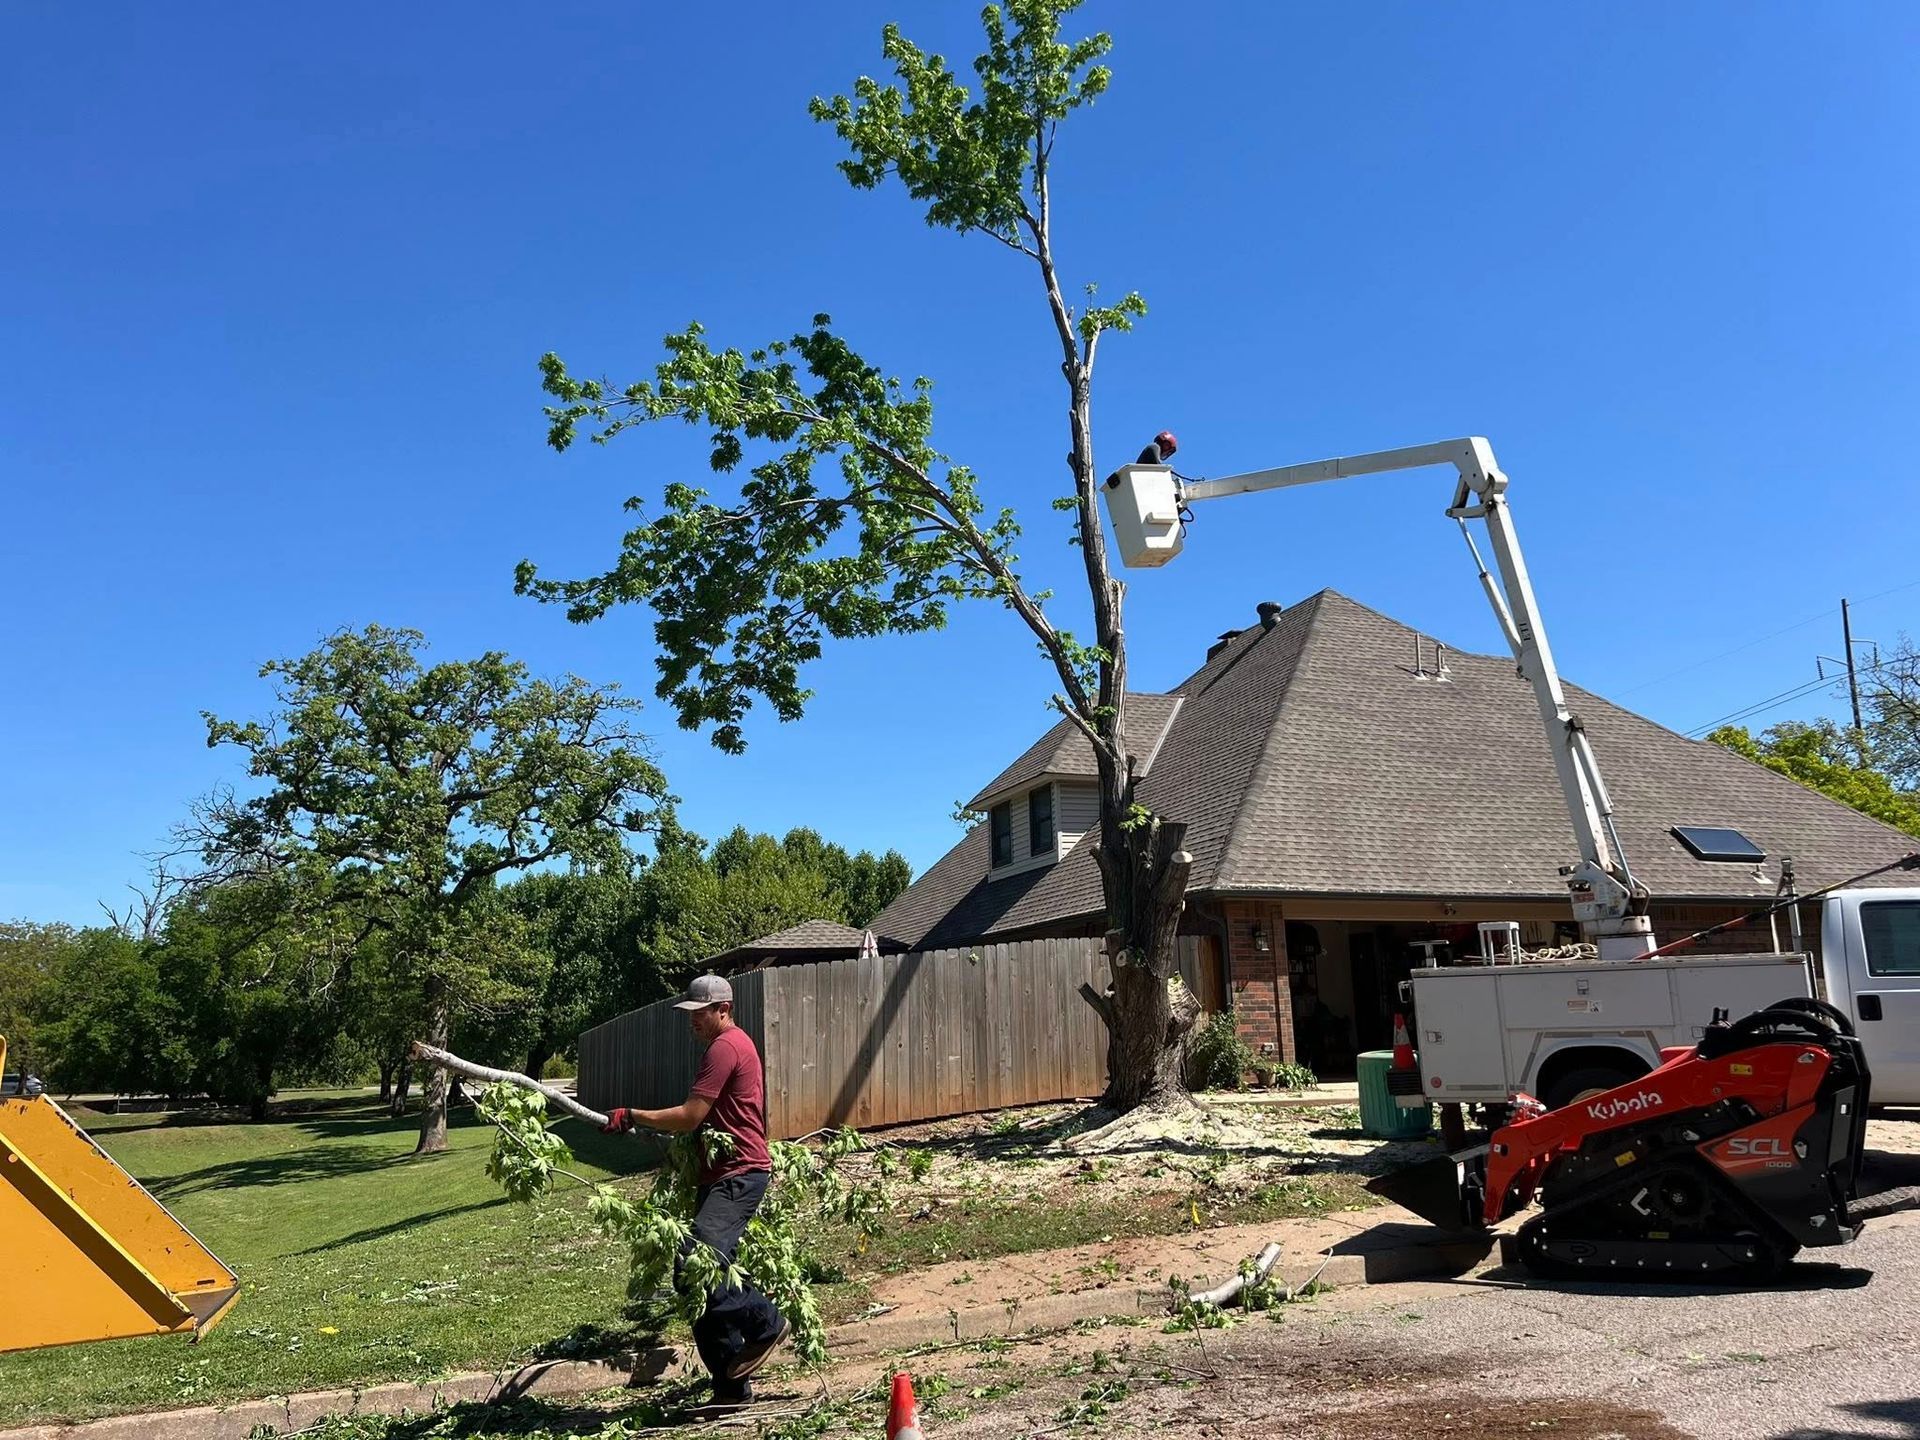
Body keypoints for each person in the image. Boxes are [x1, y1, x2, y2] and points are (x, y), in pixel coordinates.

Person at [601, 974, 788, 1403]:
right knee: (698, 1284)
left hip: (739, 1174)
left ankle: (766, 1322)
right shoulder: (728, 1046)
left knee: (694, 1265)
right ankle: (730, 1388)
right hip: (720, 1174)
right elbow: (705, 1121)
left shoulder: (726, 1047)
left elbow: (690, 1115)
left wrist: (633, 1114)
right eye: (690, 1015)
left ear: (723, 1009)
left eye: (699, 1014)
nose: (693, 1022)